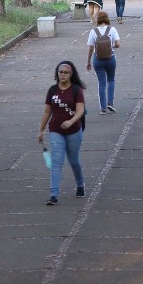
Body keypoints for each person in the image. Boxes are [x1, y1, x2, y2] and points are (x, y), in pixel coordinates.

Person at [37, 61, 86, 206]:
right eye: (60, 72)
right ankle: (54, 194)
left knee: (74, 161)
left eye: (66, 72)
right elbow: (47, 111)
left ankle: (80, 184)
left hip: (73, 131)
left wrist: (71, 121)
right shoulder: (52, 91)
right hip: (56, 131)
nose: (62, 75)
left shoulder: (76, 90)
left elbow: (80, 110)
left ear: (71, 74)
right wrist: (41, 130)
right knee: (56, 162)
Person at [86, 11, 121, 114]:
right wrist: (111, 47)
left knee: (101, 83)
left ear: (97, 20)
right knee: (111, 80)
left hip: (98, 60)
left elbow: (91, 48)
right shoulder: (112, 29)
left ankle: (103, 108)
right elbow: (118, 44)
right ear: (107, 19)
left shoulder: (93, 31)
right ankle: (110, 103)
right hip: (110, 59)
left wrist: (88, 61)